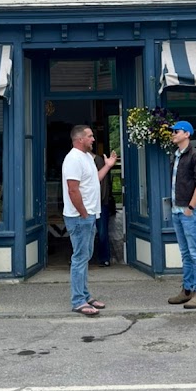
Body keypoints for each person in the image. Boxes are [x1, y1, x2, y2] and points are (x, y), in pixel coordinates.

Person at [62, 124, 117, 316]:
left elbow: (94, 180)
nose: (93, 139)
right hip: (79, 217)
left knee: (85, 257)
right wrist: (84, 213)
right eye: (90, 136)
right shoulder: (73, 159)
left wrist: (108, 166)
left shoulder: (87, 157)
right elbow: (73, 189)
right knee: (79, 258)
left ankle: (85, 295)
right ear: (80, 139)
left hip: (89, 215)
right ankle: (78, 301)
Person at [166, 121, 196, 310]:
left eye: (177, 131)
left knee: (195, 253)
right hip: (177, 209)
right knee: (185, 253)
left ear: (187, 134)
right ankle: (187, 290)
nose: (173, 133)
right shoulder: (175, 156)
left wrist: (191, 207)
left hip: (190, 210)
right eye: (173, 131)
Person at [93, 150, 116, 267]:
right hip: (89, 203)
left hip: (99, 203)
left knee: (102, 232)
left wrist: (102, 201)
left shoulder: (98, 160)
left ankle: (104, 257)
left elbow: (103, 184)